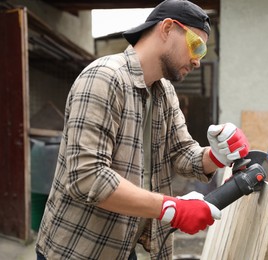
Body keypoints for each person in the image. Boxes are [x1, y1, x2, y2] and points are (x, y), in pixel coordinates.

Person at [35, 0, 249, 259]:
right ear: (168, 28)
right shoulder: (103, 78)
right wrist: (173, 208)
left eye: (202, 53)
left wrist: (215, 155)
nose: (197, 61)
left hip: (124, 246)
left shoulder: (164, 91)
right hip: (78, 249)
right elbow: (87, 177)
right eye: (197, 46)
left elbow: (182, 153)